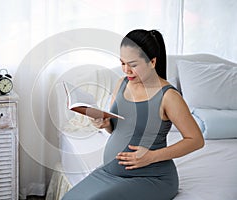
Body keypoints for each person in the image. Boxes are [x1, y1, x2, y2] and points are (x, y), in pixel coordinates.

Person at [62, 29, 204, 200]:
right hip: (110, 172)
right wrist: (105, 124)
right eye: (122, 63)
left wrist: (152, 156)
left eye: (133, 64)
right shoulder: (122, 84)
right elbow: (119, 130)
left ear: (152, 62)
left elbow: (196, 140)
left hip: (151, 177)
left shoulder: (169, 96)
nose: (126, 70)